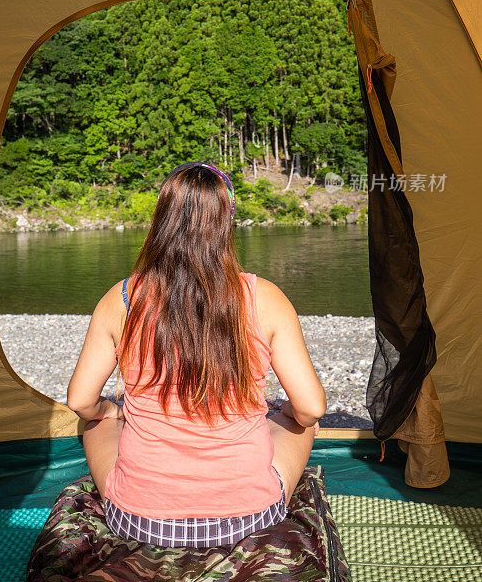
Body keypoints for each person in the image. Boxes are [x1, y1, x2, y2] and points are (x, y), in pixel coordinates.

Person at [67, 162, 327, 548]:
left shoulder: (122, 298)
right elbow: (311, 408)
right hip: (248, 518)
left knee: (95, 423)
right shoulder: (264, 298)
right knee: (302, 424)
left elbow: (80, 401)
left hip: (138, 521)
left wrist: (108, 413)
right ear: (227, 222)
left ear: (162, 220)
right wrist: (286, 413)